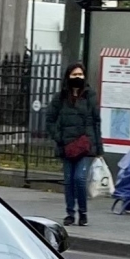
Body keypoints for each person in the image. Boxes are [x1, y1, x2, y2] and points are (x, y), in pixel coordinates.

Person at [47, 62, 99, 227]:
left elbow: (96, 121)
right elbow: (50, 120)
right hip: (66, 145)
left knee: (80, 179)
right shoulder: (60, 97)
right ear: (68, 76)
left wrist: (97, 146)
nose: (78, 78)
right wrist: (58, 137)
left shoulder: (90, 96)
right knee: (69, 180)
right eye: (74, 75)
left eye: (80, 75)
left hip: (83, 144)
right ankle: (70, 213)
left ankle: (83, 212)